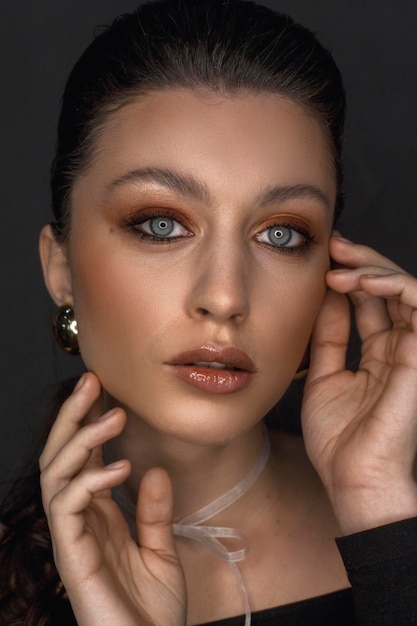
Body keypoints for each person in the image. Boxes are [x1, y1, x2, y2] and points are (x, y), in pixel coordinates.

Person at [1, 0, 417, 624]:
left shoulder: (397, 516)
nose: (225, 296)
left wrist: (385, 521)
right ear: (60, 267)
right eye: (161, 224)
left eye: (281, 235)